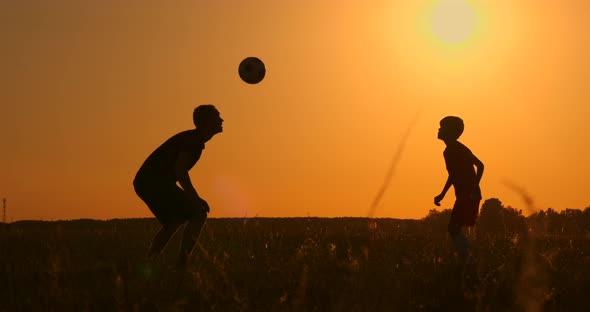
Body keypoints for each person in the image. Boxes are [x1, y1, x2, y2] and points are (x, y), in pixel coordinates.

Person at [133, 104, 223, 268]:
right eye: (217, 117)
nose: (222, 120)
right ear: (206, 122)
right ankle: (181, 264)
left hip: (147, 182)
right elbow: (180, 169)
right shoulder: (193, 140)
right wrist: (195, 198)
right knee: (199, 212)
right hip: (152, 182)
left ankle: (151, 262)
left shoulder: (194, 140)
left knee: (174, 220)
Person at [434, 116, 484, 264]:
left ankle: (469, 258)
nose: (439, 129)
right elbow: (453, 175)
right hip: (463, 194)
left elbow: (480, 165)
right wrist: (442, 194)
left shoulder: (458, 148)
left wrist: (474, 186)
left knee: (454, 228)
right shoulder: (448, 151)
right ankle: (468, 258)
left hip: (469, 195)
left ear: (450, 132)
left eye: (442, 128)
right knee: (456, 228)